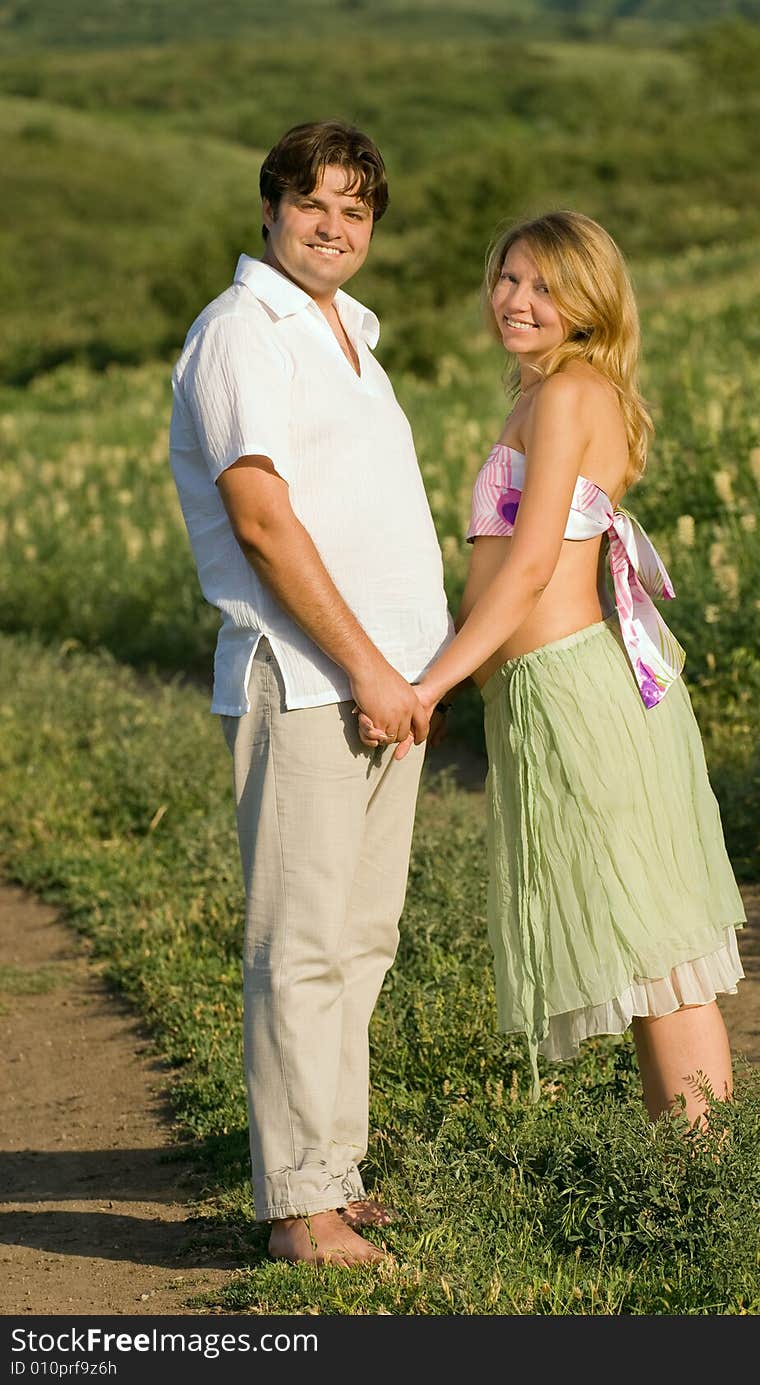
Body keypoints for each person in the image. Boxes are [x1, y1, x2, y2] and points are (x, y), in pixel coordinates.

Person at [360, 210, 746, 1126]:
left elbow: (531, 569)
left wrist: (430, 686)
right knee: (644, 942)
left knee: (660, 945)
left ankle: (713, 1190)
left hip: (577, 690)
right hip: (540, 696)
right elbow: (497, 578)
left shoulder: (571, 393)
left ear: (588, 301)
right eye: (507, 278)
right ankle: (688, 1183)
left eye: (544, 285)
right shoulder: (540, 395)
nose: (517, 300)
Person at [168, 120, 453, 1267]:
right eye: (312, 204)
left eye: (355, 210)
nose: (333, 227)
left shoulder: (346, 331)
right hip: (307, 685)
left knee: (359, 940)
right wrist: (370, 670)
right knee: (300, 944)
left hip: (381, 688)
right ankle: (296, 1207)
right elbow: (262, 519)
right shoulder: (244, 332)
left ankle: (332, 1175)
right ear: (271, 207)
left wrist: (405, 674)